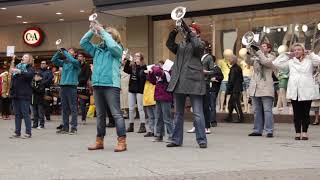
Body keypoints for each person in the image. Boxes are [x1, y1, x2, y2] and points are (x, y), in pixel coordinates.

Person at [80, 23, 127, 152]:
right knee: (100, 115)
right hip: (97, 84)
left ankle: (122, 141)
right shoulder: (97, 49)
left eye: (109, 34)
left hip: (111, 85)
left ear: (114, 37)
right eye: (104, 34)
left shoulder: (117, 48)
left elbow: (111, 45)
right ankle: (99, 141)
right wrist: (92, 30)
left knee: (116, 114)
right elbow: (83, 42)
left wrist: (103, 32)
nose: (105, 36)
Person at [165, 23, 207, 148]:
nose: (188, 31)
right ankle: (176, 140)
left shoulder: (200, 43)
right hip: (179, 81)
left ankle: (202, 140)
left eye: (192, 30)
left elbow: (198, 47)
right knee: (178, 113)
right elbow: (170, 45)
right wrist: (174, 31)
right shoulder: (182, 45)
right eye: (188, 29)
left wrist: (190, 33)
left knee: (198, 113)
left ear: (197, 33)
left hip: (194, 81)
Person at [273, 43, 320, 140]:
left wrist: (310, 54)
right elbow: (276, 64)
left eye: (299, 49)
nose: (296, 51)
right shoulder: (291, 62)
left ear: (303, 51)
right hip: (295, 91)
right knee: (297, 114)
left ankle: (305, 132)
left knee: (305, 113)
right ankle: (298, 132)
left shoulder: (309, 61)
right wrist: (286, 55)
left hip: (306, 90)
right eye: (295, 50)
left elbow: (318, 61)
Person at [188, 41, 223, 133]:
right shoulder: (196, 56)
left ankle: (207, 126)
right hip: (195, 82)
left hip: (205, 83)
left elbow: (213, 71)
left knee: (205, 105)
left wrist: (205, 72)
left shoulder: (209, 58)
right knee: (195, 106)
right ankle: (195, 125)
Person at [245, 43, 276, 137]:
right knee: (256, 110)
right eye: (260, 46)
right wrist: (248, 52)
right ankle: (257, 130)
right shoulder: (257, 57)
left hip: (266, 87)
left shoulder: (272, 57)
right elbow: (248, 62)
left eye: (264, 46)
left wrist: (258, 52)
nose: (261, 48)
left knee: (267, 110)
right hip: (255, 86)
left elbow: (266, 63)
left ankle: (269, 130)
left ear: (269, 49)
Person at [51, 48, 81, 135]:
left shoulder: (76, 62)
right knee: (64, 108)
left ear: (75, 54)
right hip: (63, 86)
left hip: (72, 86)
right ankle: (65, 127)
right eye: (68, 51)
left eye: (71, 51)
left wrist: (64, 52)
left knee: (73, 108)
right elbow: (53, 60)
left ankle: (74, 128)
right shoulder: (64, 62)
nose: (68, 52)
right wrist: (58, 52)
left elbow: (71, 59)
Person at [10, 54, 35, 138]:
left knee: (25, 114)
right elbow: (13, 80)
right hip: (15, 94)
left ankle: (28, 133)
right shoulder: (17, 67)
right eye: (23, 57)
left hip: (24, 94)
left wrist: (20, 71)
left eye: (26, 57)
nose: (24, 58)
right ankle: (17, 132)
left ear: (29, 60)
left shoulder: (30, 68)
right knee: (17, 114)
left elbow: (30, 75)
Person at [148, 62, 174, 142]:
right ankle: (159, 135)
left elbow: (159, 72)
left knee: (167, 118)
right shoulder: (159, 74)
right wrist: (150, 72)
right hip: (158, 97)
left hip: (166, 97)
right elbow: (152, 81)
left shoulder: (167, 73)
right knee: (158, 117)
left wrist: (154, 67)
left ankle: (171, 135)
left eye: (160, 65)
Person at [124, 52, 147, 133]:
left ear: (141, 58)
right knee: (131, 109)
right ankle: (131, 125)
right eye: (135, 56)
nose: (135, 57)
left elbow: (142, 77)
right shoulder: (132, 66)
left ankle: (143, 126)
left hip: (139, 90)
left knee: (140, 108)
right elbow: (125, 70)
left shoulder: (143, 67)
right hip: (132, 89)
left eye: (137, 56)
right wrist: (128, 60)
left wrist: (138, 66)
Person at [225, 55, 244, 123]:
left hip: (235, 89)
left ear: (233, 60)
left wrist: (228, 89)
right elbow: (241, 79)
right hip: (236, 88)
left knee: (236, 103)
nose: (229, 60)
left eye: (230, 59)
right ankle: (229, 117)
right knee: (231, 103)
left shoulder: (234, 69)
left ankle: (240, 117)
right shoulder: (237, 68)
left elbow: (231, 80)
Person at [77, 52, 91, 124]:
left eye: (81, 56)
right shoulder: (75, 65)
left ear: (83, 58)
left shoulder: (86, 66)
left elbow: (86, 77)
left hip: (82, 86)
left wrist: (78, 81)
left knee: (82, 104)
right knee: (73, 103)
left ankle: (83, 119)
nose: (79, 57)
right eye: (78, 56)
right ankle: (73, 119)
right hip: (74, 86)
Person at [143, 67, 157, 137]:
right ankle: (151, 130)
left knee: (155, 116)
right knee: (150, 116)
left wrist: (150, 73)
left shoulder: (154, 81)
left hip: (153, 100)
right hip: (147, 100)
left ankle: (156, 131)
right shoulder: (145, 82)